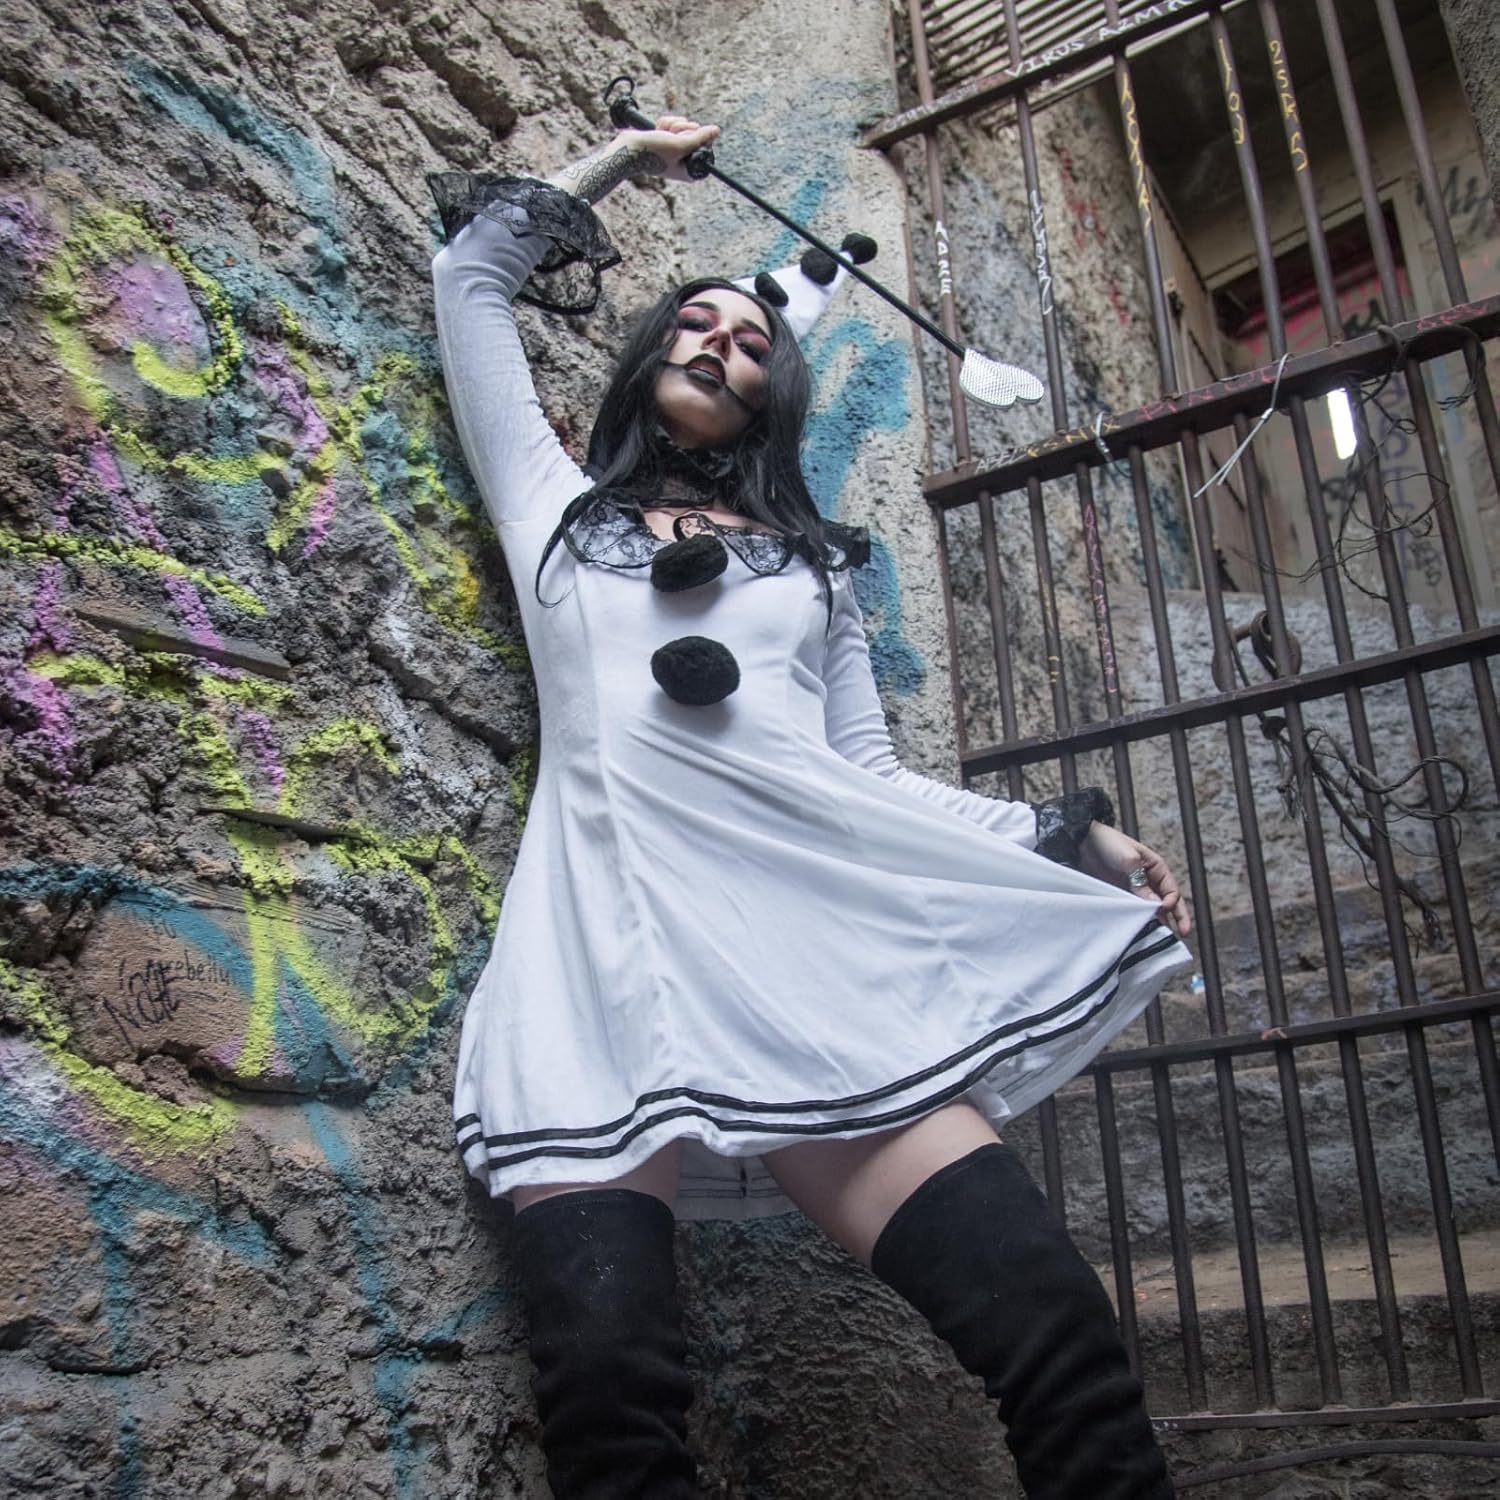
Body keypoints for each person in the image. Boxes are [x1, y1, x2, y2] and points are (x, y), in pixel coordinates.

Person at [429, 114, 1194, 1500]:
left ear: (772, 396)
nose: (719, 344)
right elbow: (471, 273)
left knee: (1055, 1330)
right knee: (610, 1405)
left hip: (804, 975)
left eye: (751, 340)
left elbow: (870, 779)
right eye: (693, 322)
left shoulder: (812, 570)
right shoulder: (554, 512)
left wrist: (1072, 833)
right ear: (646, 354)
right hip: (601, 973)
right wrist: (623, 158)